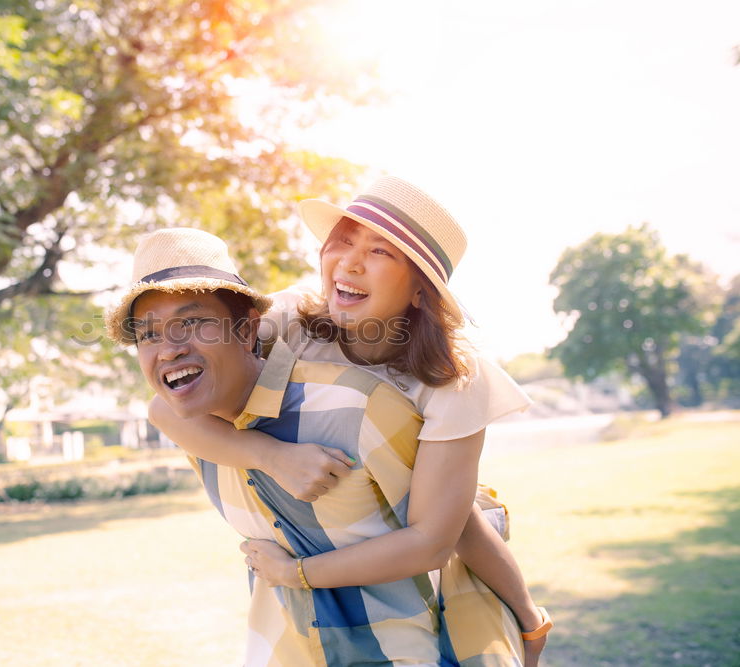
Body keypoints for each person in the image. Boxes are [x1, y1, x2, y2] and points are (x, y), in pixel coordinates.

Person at [146, 178, 552, 665]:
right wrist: (272, 456)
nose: (350, 261)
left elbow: (437, 538)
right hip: (339, 516)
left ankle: (531, 619)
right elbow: (164, 406)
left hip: (423, 527)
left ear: (421, 290)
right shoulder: (291, 317)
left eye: (381, 251)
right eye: (342, 240)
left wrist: (298, 573)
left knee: (465, 525)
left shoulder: (454, 378)